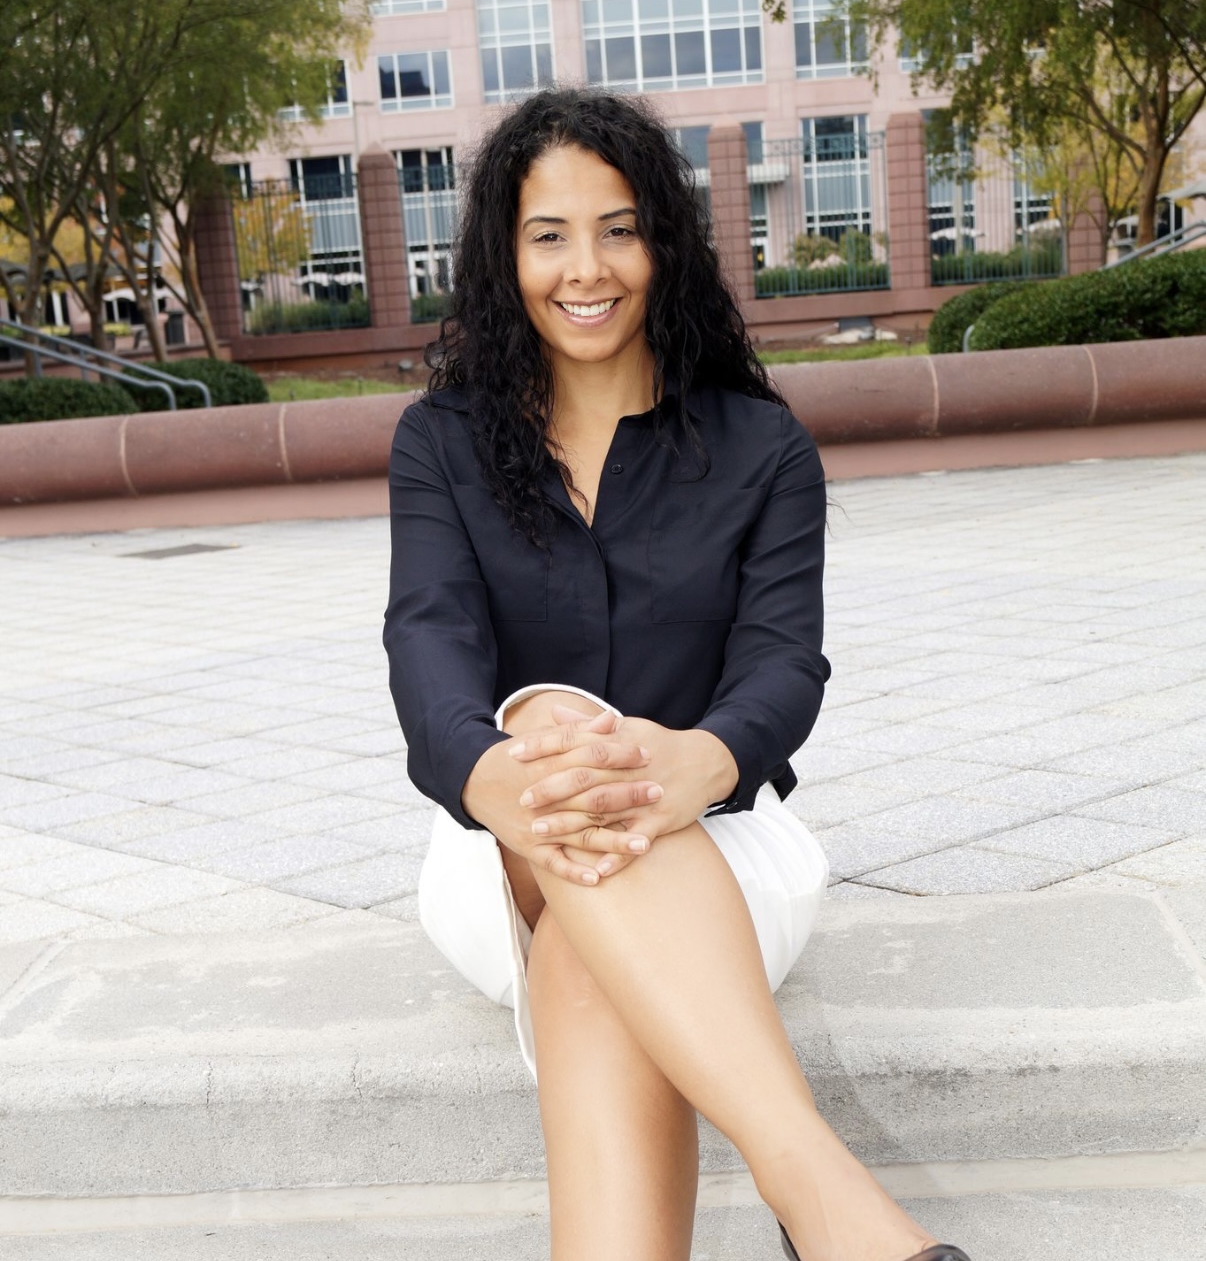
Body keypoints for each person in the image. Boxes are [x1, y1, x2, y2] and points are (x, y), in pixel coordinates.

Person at [384, 88, 971, 1261]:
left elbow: (782, 664)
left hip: (723, 849)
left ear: (664, 241)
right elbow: (426, 643)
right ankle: (823, 1199)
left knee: (595, 942)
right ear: (507, 255)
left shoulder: (761, 447)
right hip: (500, 850)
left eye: (618, 227)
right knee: (558, 732)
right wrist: (499, 776)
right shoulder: (441, 441)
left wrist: (693, 764)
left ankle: (821, 1204)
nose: (585, 267)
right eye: (549, 234)